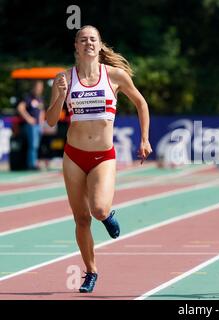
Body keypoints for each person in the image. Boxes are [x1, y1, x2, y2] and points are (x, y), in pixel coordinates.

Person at [47, 25, 152, 293]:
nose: (88, 43)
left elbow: (141, 103)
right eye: (83, 40)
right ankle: (91, 271)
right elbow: (49, 121)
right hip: (73, 155)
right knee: (81, 219)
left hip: (103, 156)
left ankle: (107, 216)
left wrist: (144, 139)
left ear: (100, 44)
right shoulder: (64, 78)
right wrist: (59, 95)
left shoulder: (115, 76)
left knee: (99, 210)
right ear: (76, 47)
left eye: (93, 39)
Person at [16, 80, 46, 170]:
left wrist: (41, 122)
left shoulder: (40, 99)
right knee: (33, 145)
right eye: (38, 87)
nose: (39, 89)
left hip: (38, 125)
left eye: (41, 87)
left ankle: (34, 162)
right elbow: (20, 108)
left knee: (36, 145)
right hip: (31, 126)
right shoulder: (29, 97)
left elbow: (42, 111)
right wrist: (28, 118)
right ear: (34, 87)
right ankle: (32, 164)